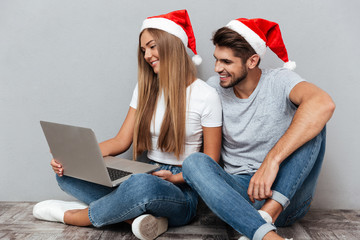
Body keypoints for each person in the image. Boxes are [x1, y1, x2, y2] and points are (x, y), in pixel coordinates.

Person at [33, 10, 222, 240]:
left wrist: (175, 178)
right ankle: (136, 216)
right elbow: (120, 141)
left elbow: (211, 163)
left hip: (183, 189)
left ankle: (76, 216)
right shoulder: (145, 90)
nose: (147, 55)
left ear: (173, 45)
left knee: (141, 186)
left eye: (152, 46)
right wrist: (74, 157)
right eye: (143, 50)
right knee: (67, 174)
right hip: (145, 172)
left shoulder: (206, 95)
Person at [182, 18, 335, 240]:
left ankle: (268, 214)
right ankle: (265, 233)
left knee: (314, 122)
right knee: (193, 163)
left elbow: (323, 103)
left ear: (252, 61)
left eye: (226, 62)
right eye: (216, 60)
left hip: (287, 195)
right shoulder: (213, 88)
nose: (217, 69)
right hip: (241, 196)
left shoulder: (280, 81)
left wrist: (271, 161)